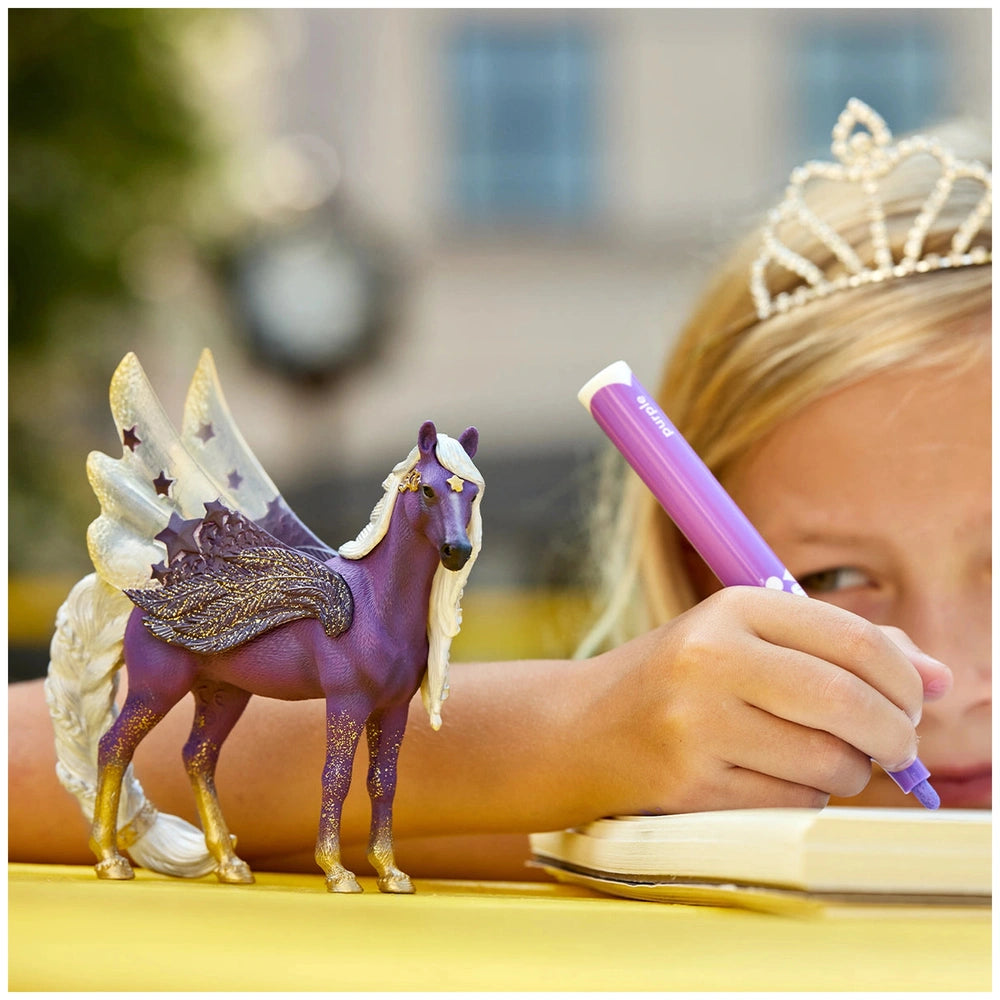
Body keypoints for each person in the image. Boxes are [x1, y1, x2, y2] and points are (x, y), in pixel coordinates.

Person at [8, 100, 990, 882]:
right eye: (834, 574)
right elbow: (32, 760)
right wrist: (579, 733)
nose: (950, 674)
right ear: (696, 581)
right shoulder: (644, 826)